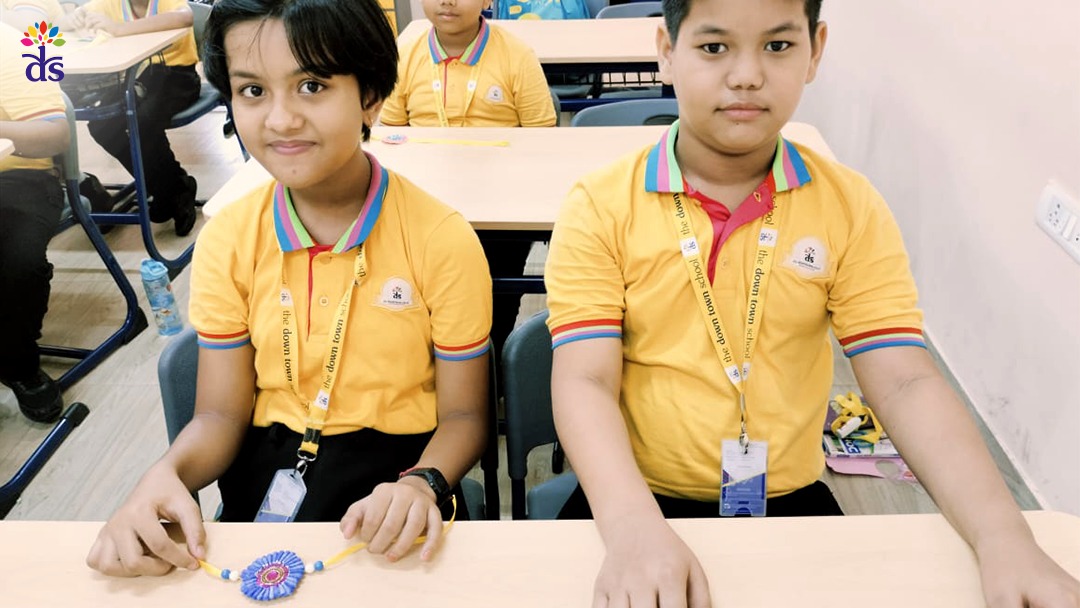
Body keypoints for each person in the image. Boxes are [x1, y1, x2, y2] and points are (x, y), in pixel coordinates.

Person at [543, 0, 1080, 606]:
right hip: (629, 498)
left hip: (782, 499)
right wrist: (631, 527)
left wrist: (1003, 534)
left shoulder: (849, 206)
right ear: (667, 51)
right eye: (714, 47)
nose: (746, 75)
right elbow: (585, 379)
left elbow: (904, 382)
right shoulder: (599, 206)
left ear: (815, 50)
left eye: (777, 46)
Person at [86, 0, 492, 577]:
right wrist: (165, 475)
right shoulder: (230, 234)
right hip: (265, 462)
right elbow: (221, 416)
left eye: (312, 85)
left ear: (371, 96)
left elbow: (464, 417)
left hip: (401, 473)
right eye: (252, 91)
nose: (279, 119)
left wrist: (424, 483)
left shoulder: (440, 238)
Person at [380, 0, 557, 357]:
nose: (447, 1)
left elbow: (542, 138)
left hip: (500, 211)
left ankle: (497, 372)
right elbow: (390, 136)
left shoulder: (516, 55)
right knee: (424, 299)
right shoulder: (406, 54)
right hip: (423, 209)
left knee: (496, 302)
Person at [61, 0, 200, 236]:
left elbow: (185, 17)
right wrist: (73, 19)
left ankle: (169, 189)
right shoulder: (111, 4)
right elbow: (69, 20)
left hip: (176, 76)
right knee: (102, 126)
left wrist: (118, 29)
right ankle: (173, 187)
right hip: (134, 79)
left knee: (143, 120)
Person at [0, 21, 70, 424]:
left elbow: (56, 134)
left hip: (21, 175)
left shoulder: (27, 42)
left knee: (17, 260)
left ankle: (18, 364)